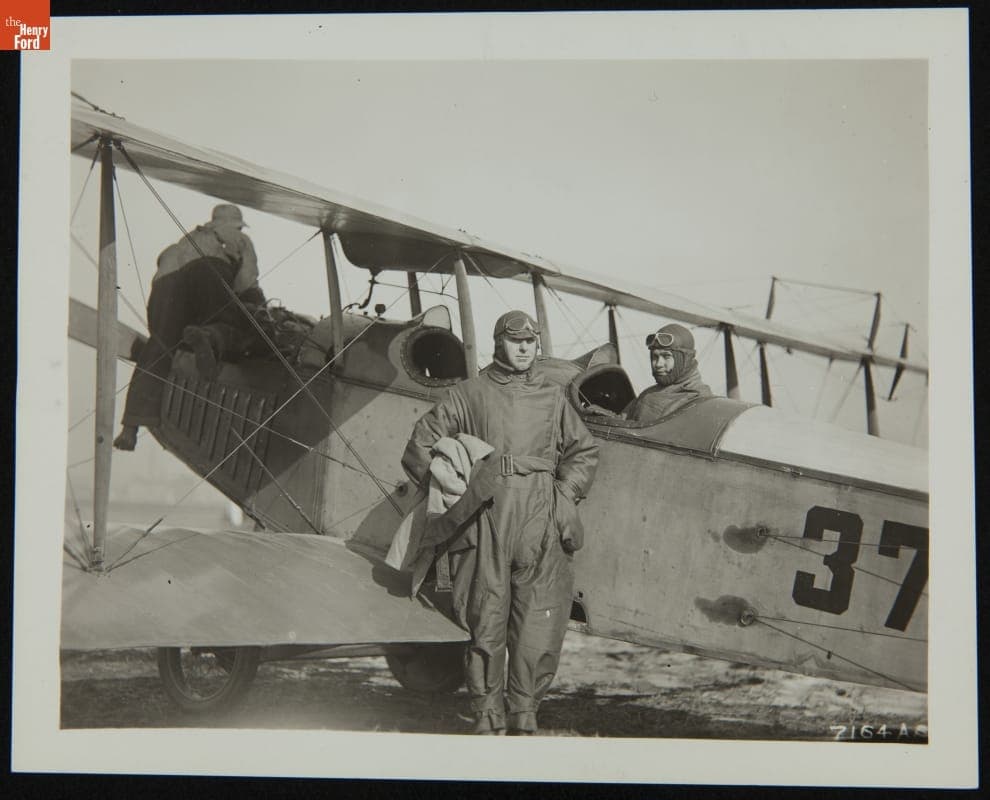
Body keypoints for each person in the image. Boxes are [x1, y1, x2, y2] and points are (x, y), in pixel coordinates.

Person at [401, 310, 599, 735]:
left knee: (538, 624)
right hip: (485, 520)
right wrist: (455, 495)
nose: (525, 347)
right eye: (516, 341)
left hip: (541, 522)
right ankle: (488, 715)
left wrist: (564, 496)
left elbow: (583, 452)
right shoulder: (468, 395)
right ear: (499, 343)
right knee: (484, 620)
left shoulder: (552, 397)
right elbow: (419, 447)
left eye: (531, 341)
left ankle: (525, 712)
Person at [113, 204, 264, 451]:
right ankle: (208, 337)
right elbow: (247, 283)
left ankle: (130, 429)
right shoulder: (239, 238)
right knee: (232, 324)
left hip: (164, 286)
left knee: (159, 347)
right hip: (209, 272)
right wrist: (258, 309)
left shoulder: (187, 239)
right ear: (237, 225)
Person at [622, 322, 714, 422]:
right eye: (655, 357)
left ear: (685, 360)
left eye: (666, 356)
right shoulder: (649, 393)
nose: (658, 364)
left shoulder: (699, 401)